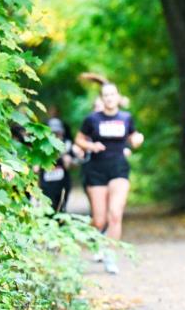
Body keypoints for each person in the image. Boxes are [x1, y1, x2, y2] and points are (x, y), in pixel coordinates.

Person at [74, 80, 144, 274]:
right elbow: (79, 140)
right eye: (106, 95)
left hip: (118, 169)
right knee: (99, 220)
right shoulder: (92, 119)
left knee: (115, 214)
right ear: (102, 99)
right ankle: (89, 239)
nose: (109, 98)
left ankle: (110, 256)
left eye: (112, 94)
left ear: (118, 97)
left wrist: (137, 139)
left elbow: (133, 136)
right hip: (96, 170)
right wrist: (91, 146)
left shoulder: (126, 117)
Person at [37, 110, 83, 214]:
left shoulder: (67, 145)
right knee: (48, 210)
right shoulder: (41, 146)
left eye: (58, 133)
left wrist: (70, 161)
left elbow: (76, 163)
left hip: (63, 183)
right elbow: (35, 166)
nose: (57, 136)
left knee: (61, 208)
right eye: (54, 133)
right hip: (46, 184)